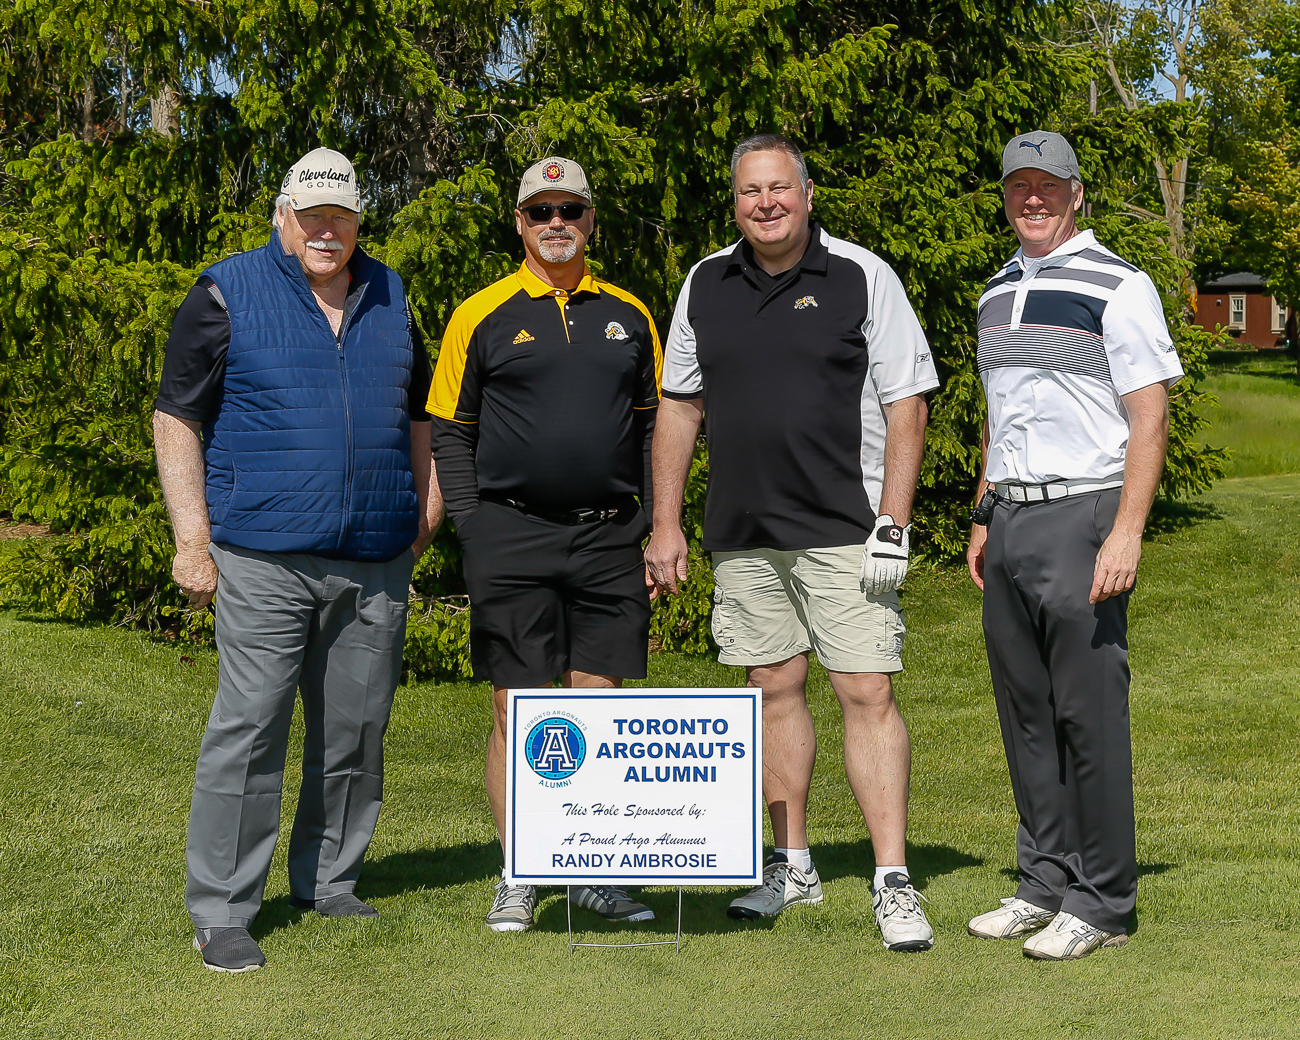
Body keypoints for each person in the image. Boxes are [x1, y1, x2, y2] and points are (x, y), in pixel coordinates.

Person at [645, 134, 938, 952]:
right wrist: (665, 521)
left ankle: (892, 879)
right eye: (750, 192)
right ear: (735, 202)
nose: (766, 203)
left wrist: (894, 521)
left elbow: (907, 403)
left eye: (779, 189)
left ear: (808, 195)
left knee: (866, 692)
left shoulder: (861, 276)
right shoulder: (706, 281)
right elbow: (680, 406)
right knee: (771, 688)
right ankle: (792, 865)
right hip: (745, 532)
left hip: (846, 527)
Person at [153, 147, 441, 973]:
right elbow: (176, 418)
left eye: (340, 216)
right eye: (311, 216)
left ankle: (329, 881)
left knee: (357, 728)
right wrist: (191, 541)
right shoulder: (225, 292)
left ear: (358, 220)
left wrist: (425, 513)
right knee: (250, 730)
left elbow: (420, 414)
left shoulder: (390, 294)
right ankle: (223, 911)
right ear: (283, 214)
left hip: (374, 558)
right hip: (262, 556)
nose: (325, 231)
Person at [428, 156, 663, 933]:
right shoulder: (481, 314)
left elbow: (656, 428)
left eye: (570, 210)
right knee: (520, 711)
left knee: (598, 712)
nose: (556, 223)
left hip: (609, 536)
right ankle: (522, 871)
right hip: (512, 533)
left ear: (591, 220)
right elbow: (450, 431)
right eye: (541, 211)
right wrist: (474, 527)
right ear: (519, 223)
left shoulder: (630, 313)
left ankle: (591, 871)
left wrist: (658, 523)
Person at [965, 131, 1183, 960]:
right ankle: (1044, 883)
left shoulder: (1118, 285)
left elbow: (1149, 415)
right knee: (1025, 713)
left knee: (1086, 716)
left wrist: (1126, 529)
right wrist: (984, 512)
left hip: (1084, 514)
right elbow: (999, 412)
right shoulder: (995, 291)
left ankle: (1104, 901)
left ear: (1076, 193)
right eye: (1019, 185)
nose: (1033, 199)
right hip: (1011, 517)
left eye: (1048, 186)